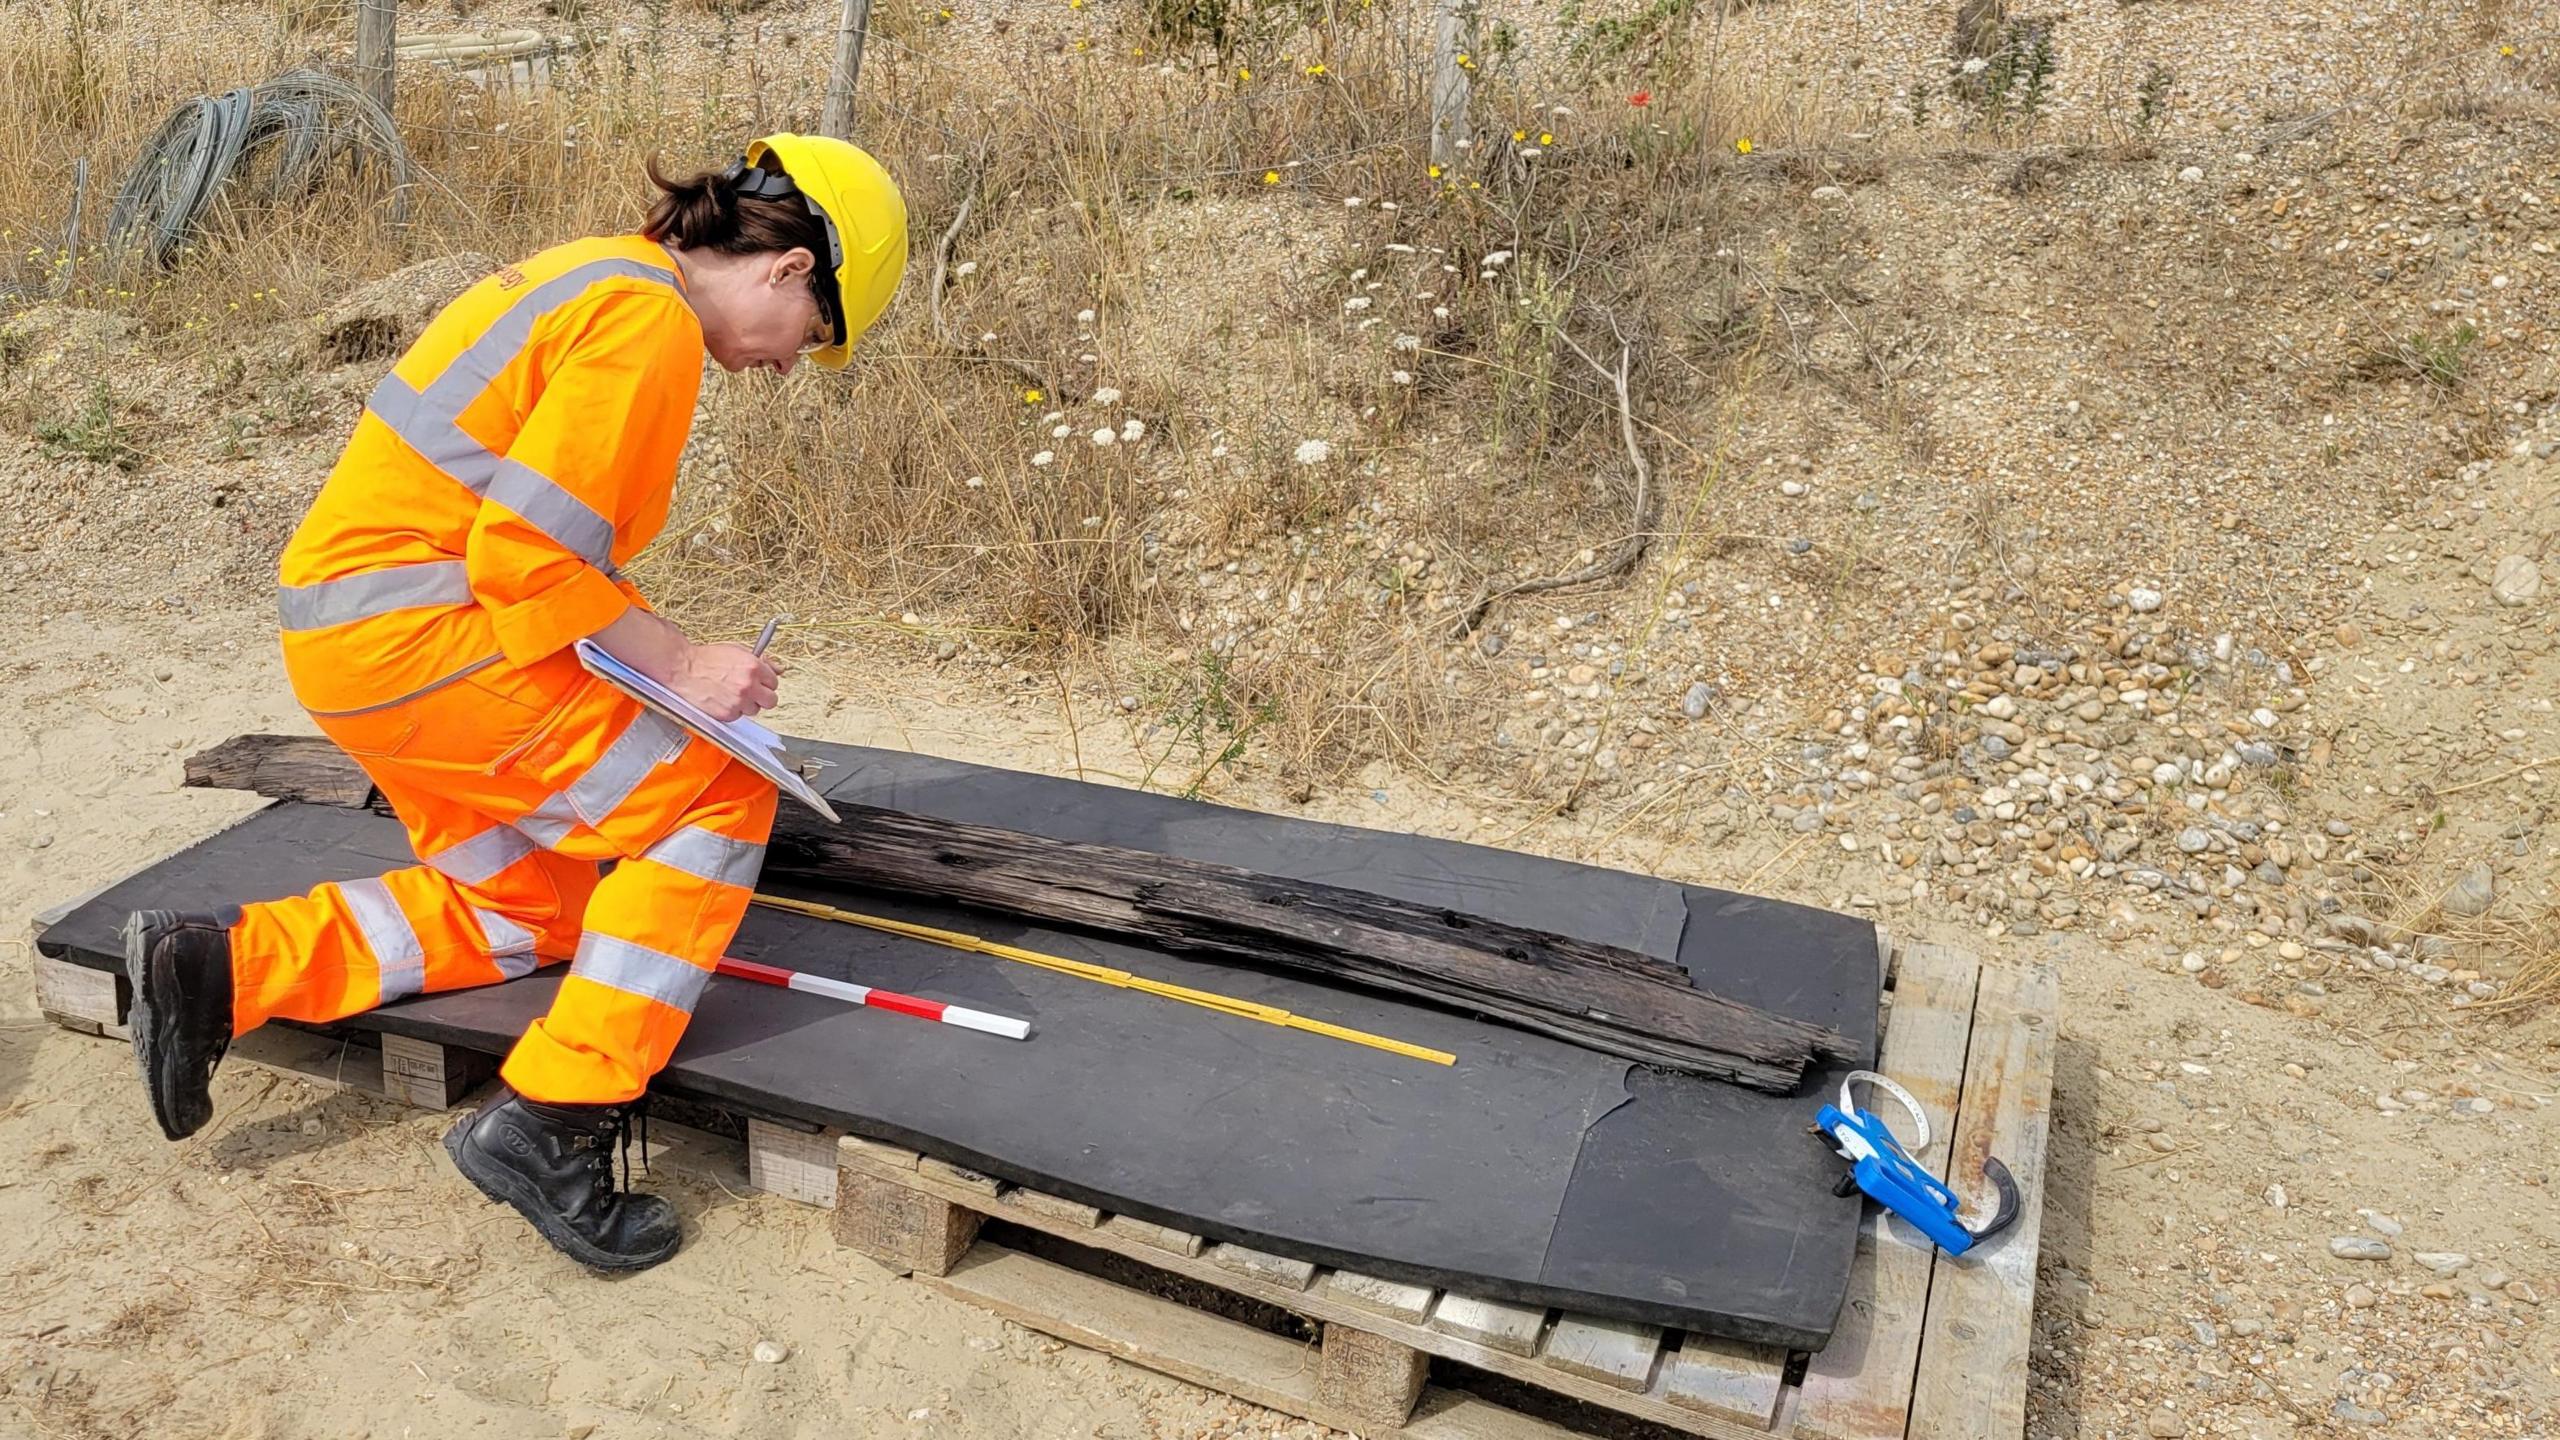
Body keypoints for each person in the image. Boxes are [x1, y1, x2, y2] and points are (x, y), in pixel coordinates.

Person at [118, 134, 907, 1272]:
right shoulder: (649, 325)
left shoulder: (585, 273)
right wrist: (684, 667)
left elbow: (523, 539)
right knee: (714, 802)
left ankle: (221, 970)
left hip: (361, 650)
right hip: (430, 647)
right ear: (788, 269)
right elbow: (529, 559)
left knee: (534, 909)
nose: (790, 368)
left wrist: (645, 654)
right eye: (814, 339)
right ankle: (553, 1120)